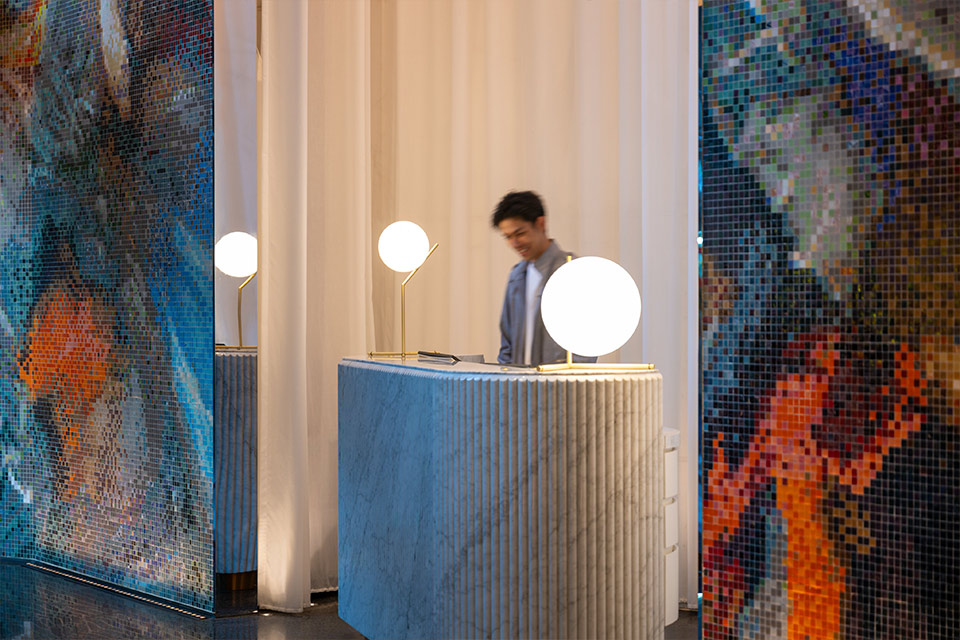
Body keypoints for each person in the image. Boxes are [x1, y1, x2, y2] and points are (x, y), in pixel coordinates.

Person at [492, 191, 595, 366]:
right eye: (508, 237)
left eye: (520, 233)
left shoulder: (570, 271)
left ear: (540, 224)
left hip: (560, 387)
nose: (514, 243)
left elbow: (586, 344)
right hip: (520, 387)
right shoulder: (516, 276)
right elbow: (507, 345)